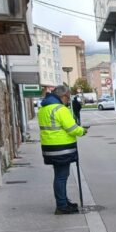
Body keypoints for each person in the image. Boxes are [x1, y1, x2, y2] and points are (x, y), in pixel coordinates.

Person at [37, 85, 87, 214]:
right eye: (67, 97)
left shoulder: (44, 109)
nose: (68, 100)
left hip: (49, 147)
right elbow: (72, 128)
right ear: (63, 96)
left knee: (60, 175)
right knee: (61, 176)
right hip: (61, 148)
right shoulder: (60, 109)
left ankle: (63, 201)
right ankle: (61, 205)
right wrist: (82, 131)